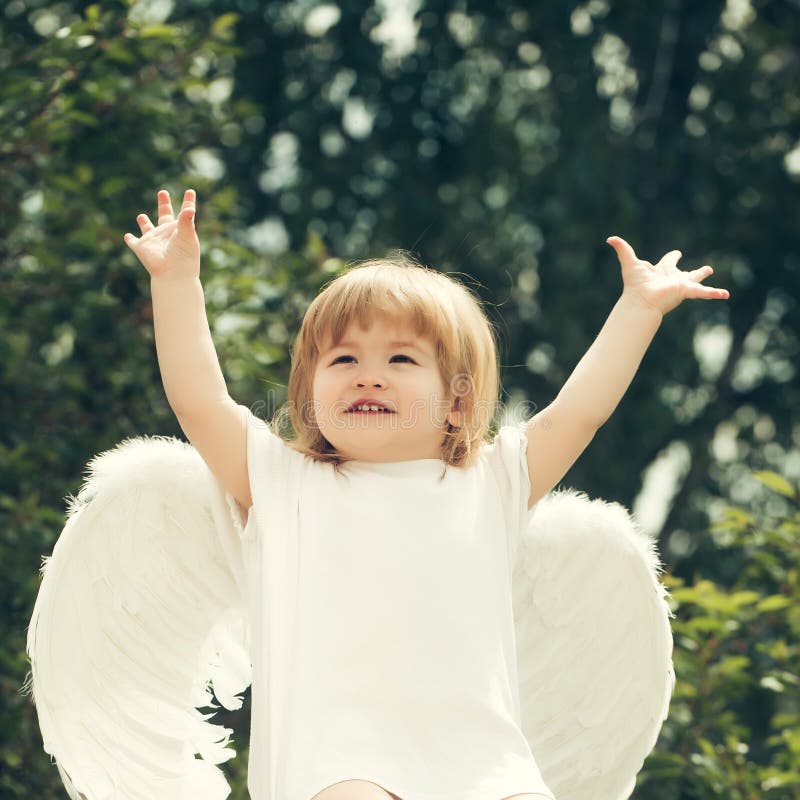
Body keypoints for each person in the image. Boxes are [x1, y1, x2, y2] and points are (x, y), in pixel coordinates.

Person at [122, 188, 729, 800]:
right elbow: (200, 401)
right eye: (344, 359)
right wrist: (177, 283)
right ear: (309, 395)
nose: (368, 373)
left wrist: (639, 309)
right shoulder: (282, 483)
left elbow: (580, 412)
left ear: (458, 399)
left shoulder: (493, 481)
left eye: (401, 358)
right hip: (337, 764)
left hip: (485, 763)